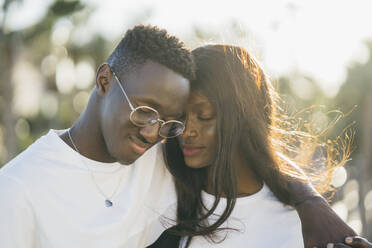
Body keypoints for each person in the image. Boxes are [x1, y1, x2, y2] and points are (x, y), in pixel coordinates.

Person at [0, 25, 362, 248]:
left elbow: (251, 162)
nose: (153, 132)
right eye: (144, 111)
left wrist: (312, 204)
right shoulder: (17, 191)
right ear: (105, 81)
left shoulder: (160, 158)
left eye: (168, 121)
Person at [157, 44, 371, 248]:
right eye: (181, 115)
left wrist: (311, 201)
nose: (186, 130)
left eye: (204, 116)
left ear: (242, 119)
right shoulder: (164, 193)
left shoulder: (302, 224)